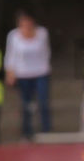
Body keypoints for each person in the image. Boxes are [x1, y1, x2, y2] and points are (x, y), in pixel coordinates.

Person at [4, 10, 50, 138]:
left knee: (43, 102)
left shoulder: (42, 33)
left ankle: (46, 130)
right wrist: (10, 72)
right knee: (25, 104)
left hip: (40, 72)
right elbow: (10, 55)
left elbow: (46, 52)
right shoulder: (13, 35)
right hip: (23, 74)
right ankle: (26, 132)